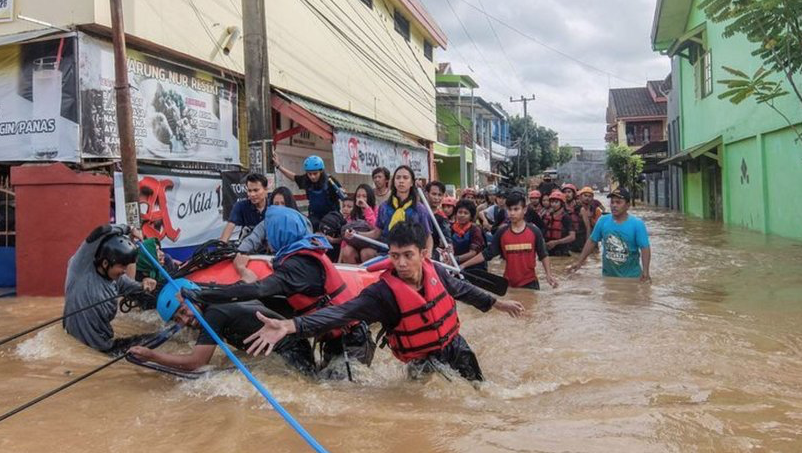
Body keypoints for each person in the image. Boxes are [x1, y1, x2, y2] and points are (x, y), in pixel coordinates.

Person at [242, 221, 525, 382]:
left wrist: (498, 304)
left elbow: (462, 289)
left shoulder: (436, 270)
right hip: (420, 358)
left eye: (407, 255)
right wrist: (291, 325)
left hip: (454, 345)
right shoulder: (382, 294)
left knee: (482, 389)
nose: (400, 263)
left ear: (423, 254)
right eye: (394, 255)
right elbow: (340, 313)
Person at [180, 206, 376, 375]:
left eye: (269, 232)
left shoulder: (299, 266)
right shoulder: (305, 255)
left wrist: (201, 293)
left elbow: (256, 290)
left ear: (278, 234)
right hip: (339, 340)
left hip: (351, 343)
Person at [128, 285, 316, 375]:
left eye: (184, 311)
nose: (186, 320)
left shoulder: (213, 315)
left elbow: (196, 363)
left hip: (292, 353)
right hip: (298, 344)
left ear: (194, 297)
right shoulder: (220, 297)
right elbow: (249, 280)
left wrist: (152, 356)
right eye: (178, 319)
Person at [63, 224, 157, 353]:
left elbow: (138, 289)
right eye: (122, 266)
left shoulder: (118, 279)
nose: (124, 271)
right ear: (106, 263)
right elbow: (100, 231)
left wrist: (145, 284)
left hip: (107, 345)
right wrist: (129, 228)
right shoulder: (80, 268)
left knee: (156, 339)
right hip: (85, 348)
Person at [462, 192, 557, 290]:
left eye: (516, 209)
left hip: (530, 284)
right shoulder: (501, 232)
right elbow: (487, 254)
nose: (512, 213)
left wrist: (548, 275)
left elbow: (543, 255)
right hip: (508, 285)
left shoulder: (534, 231)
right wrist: (463, 265)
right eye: (509, 209)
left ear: (524, 210)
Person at [343, 165, 433, 262]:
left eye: (405, 178)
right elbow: (376, 233)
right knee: (366, 253)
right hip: (387, 251)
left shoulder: (419, 209)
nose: (401, 181)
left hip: (410, 254)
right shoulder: (385, 207)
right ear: (394, 182)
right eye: (398, 178)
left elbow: (428, 237)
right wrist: (356, 234)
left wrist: (427, 256)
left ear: (411, 183)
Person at [568, 188, 651, 282]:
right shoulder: (603, 221)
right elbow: (592, 241)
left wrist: (646, 272)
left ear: (627, 205)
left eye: (618, 202)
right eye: (612, 202)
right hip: (608, 278)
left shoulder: (637, 224)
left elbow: (645, 248)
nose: (614, 205)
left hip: (632, 278)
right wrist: (579, 262)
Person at [274, 154, 342, 231]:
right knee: (307, 225)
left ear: (321, 171)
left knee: (326, 225)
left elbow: (342, 195)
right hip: (315, 216)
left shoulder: (330, 181)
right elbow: (293, 177)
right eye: (309, 174)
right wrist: (278, 166)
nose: (312, 177)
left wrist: (342, 192)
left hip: (331, 216)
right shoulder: (306, 180)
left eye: (315, 173)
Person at [220, 173, 268, 242]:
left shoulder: (273, 206)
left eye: (256, 190)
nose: (252, 194)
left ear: (266, 189)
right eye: (249, 191)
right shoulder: (240, 206)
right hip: (247, 247)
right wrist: (221, 247)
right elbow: (229, 227)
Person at [450, 199, 487, 271]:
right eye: (459, 212)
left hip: (474, 267)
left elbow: (473, 252)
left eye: (466, 213)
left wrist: (455, 259)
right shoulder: (451, 228)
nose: (462, 215)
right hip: (455, 265)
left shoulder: (475, 230)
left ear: (471, 216)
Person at [542, 191, 575, 257]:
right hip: (549, 251)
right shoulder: (547, 216)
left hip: (562, 252)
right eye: (552, 202)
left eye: (556, 202)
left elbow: (572, 237)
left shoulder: (566, 217)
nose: (553, 204)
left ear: (562, 204)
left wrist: (556, 242)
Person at [425, 181, 452, 259]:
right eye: (434, 194)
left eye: (439, 195)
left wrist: (448, 245)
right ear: (426, 194)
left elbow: (447, 240)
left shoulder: (442, 218)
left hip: (432, 253)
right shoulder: (419, 211)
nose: (436, 198)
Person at [562, 184, 586, 253]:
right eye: (565, 192)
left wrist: (587, 243)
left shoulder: (580, 208)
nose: (567, 194)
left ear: (573, 194)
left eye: (569, 192)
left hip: (578, 240)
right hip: (565, 239)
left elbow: (587, 227)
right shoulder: (560, 208)